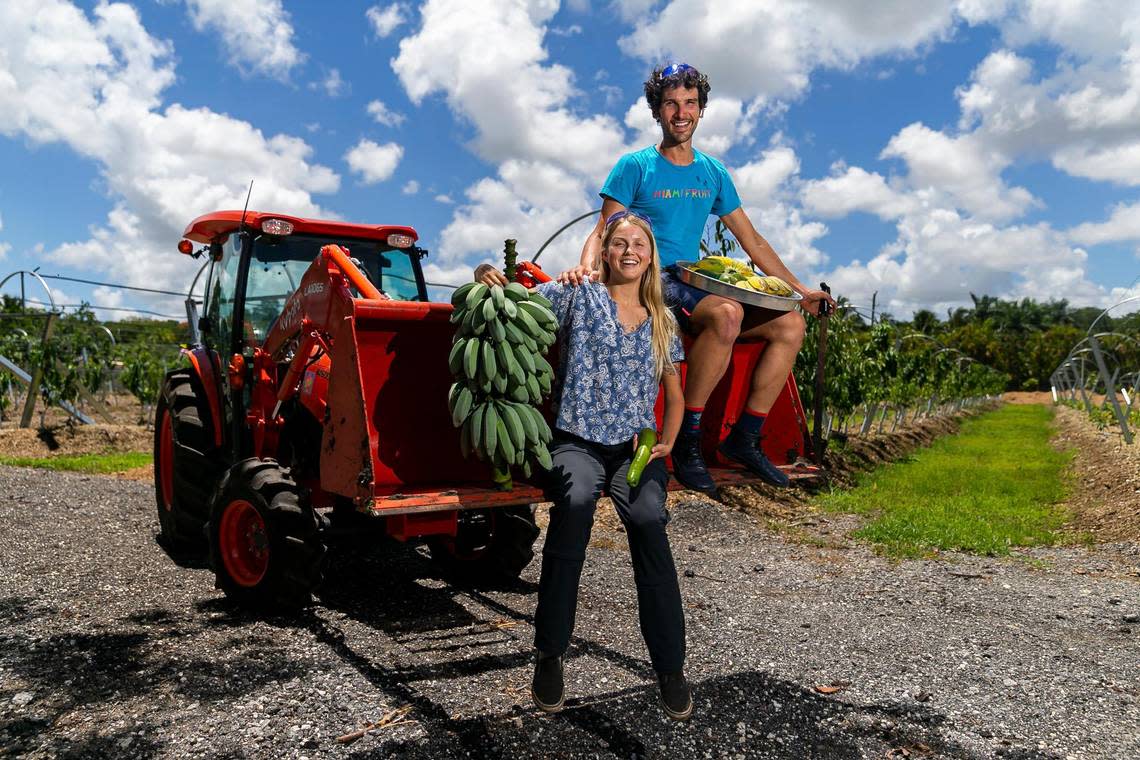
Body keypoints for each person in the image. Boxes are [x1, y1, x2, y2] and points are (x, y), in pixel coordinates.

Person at [566, 63, 836, 495]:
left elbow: (753, 240)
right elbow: (604, 230)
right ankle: (688, 442)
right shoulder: (636, 166)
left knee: (790, 324)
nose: (681, 112)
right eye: (671, 103)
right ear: (657, 111)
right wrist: (587, 270)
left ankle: (745, 437)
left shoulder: (712, 172)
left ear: (701, 110)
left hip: (693, 281)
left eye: (690, 103)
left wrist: (800, 290)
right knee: (727, 313)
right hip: (652, 280)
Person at [475, 212, 692, 720]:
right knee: (573, 504)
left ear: (650, 256)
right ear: (605, 251)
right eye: (619, 243)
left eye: (639, 243)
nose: (630, 251)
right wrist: (488, 271)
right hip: (576, 441)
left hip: (635, 448)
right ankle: (550, 654)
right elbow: (514, 307)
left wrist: (668, 442)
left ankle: (670, 669)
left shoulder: (664, 320)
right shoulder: (578, 294)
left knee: (647, 521)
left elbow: (676, 395)